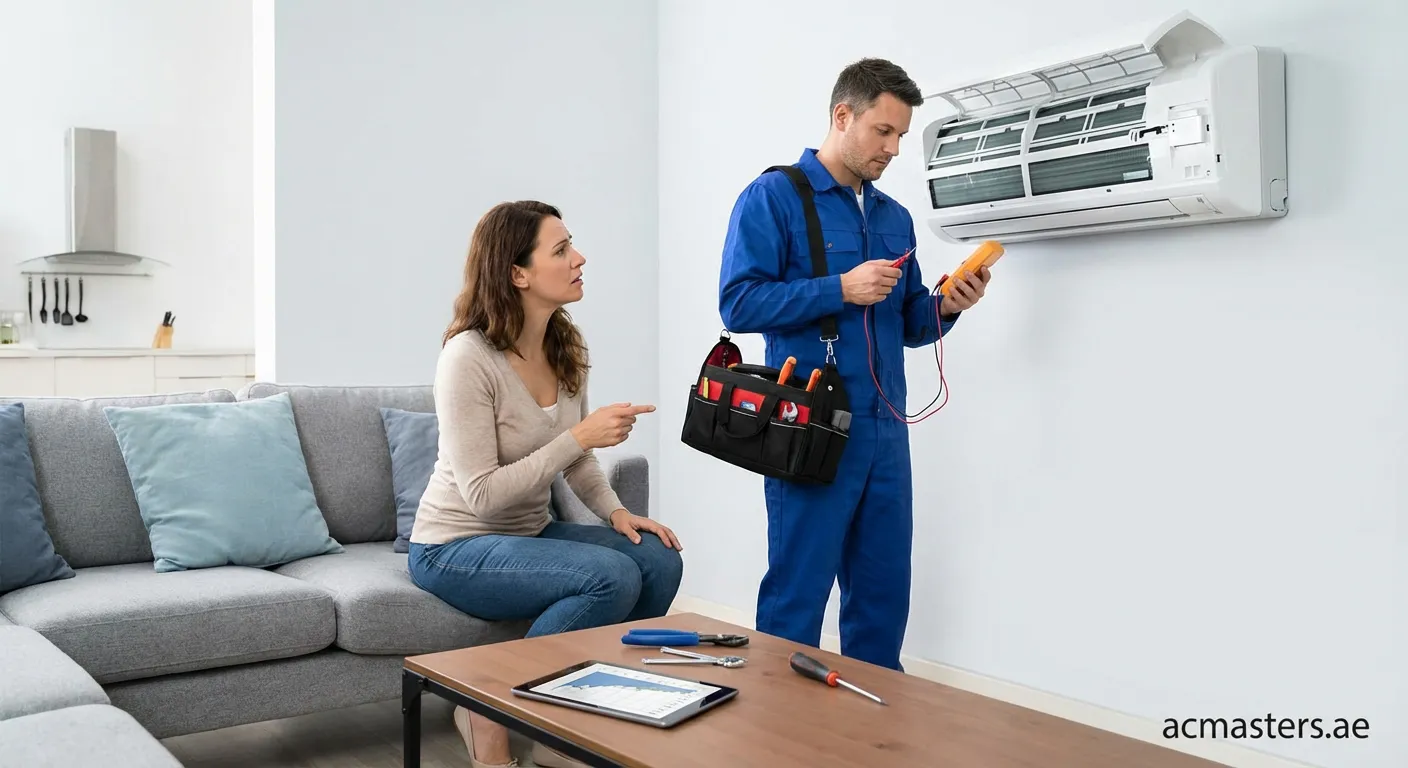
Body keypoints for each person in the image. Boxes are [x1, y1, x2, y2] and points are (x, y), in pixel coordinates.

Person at [716, 58, 992, 672]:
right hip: (811, 425)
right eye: (882, 132)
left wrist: (947, 305)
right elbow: (737, 303)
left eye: (900, 136)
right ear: (843, 116)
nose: (893, 149)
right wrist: (838, 288)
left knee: (883, 597)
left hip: (886, 432)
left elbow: (909, 323)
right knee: (797, 597)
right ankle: (780, 742)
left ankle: (873, 742)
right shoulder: (775, 196)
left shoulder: (894, 218)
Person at [408, 200, 684, 768]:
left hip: (526, 534)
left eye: (572, 245)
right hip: (453, 547)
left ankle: (573, 729)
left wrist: (614, 513)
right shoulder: (467, 358)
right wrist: (579, 436)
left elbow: (576, 463)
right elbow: (484, 493)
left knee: (657, 558)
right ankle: (485, 706)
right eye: (561, 250)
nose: (579, 258)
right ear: (518, 273)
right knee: (609, 577)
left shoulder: (565, 346)